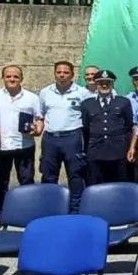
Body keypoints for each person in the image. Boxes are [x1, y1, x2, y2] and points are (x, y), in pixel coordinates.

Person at [0, 65, 42, 222]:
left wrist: (37, 129)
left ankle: (27, 213)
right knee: (0, 182)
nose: (12, 79)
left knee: (27, 181)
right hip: (1, 147)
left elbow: (38, 118)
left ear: (21, 78)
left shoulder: (32, 98)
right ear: (3, 78)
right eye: (8, 76)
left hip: (24, 146)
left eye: (15, 77)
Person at [38, 61, 92, 211]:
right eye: (59, 72)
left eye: (66, 72)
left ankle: (76, 209)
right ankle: (50, 208)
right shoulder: (45, 92)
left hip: (73, 137)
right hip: (50, 138)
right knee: (48, 175)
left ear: (72, 75)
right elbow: (41, 115)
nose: (62, 75)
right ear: (55, 73)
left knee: (75, 175)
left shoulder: (82, 93)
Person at [79, 70, 135, 185]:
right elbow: (85, 128)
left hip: (118, 151)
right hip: (95, 151)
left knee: (118, 185)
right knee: (95, 184)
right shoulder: (87, 104)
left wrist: (129, 148)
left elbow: (129, 126)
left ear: (112, 84)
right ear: (95, 84)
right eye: (100, 83)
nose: (104, 85)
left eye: (107, 83)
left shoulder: (123, 102)